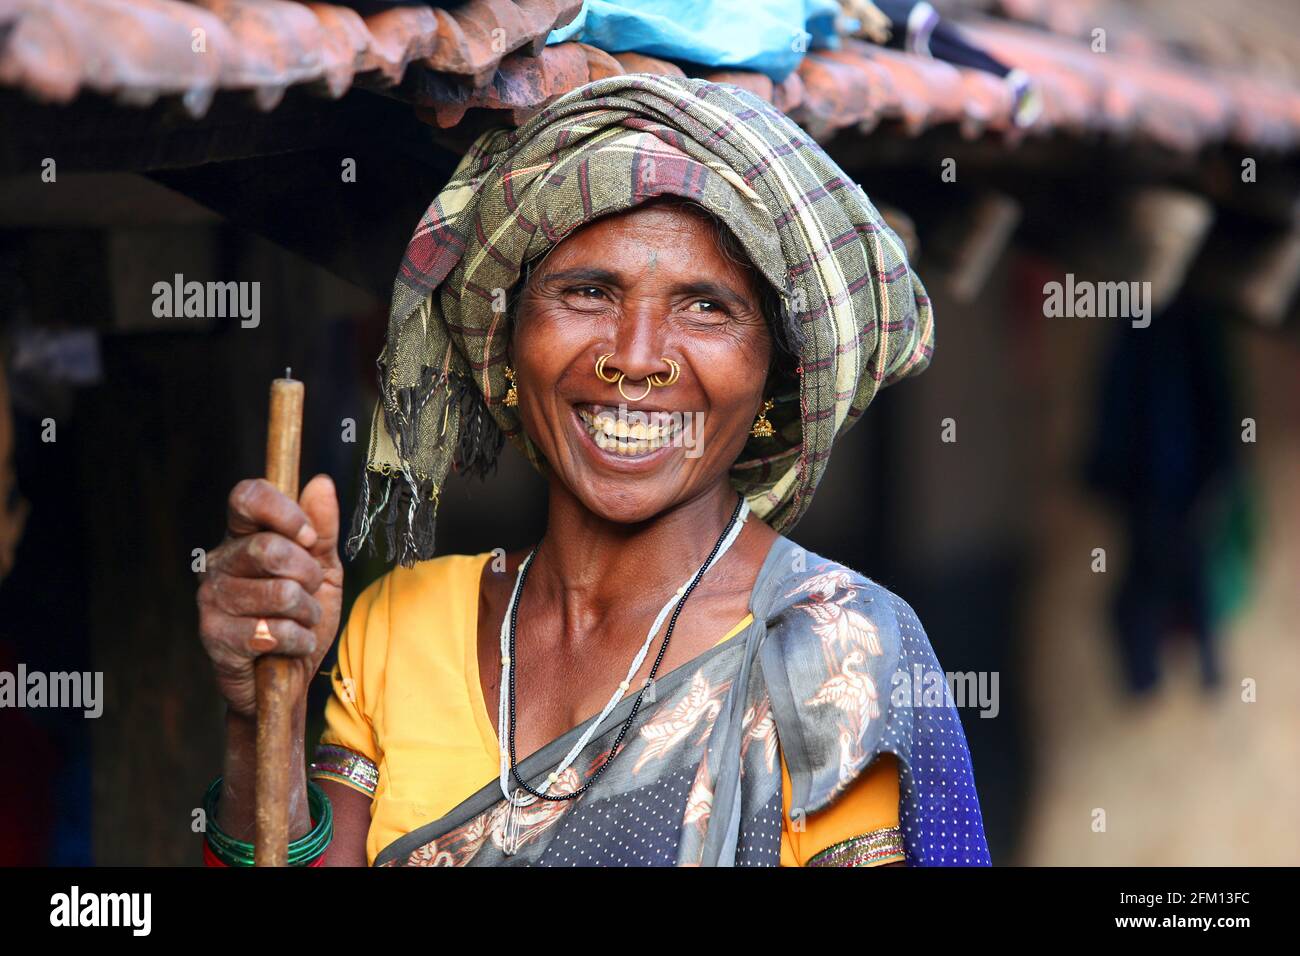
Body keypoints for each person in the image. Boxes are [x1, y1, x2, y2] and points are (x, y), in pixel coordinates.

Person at [195, 74, 990, 867]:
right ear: (508, 339)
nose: (635, 359)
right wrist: (258, 716)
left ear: (774, 371)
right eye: (586, 292)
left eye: (706, 306)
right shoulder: (403, 624)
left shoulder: (834, 648)